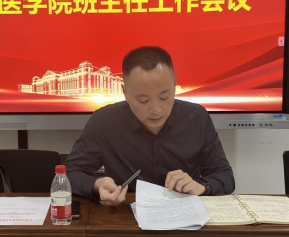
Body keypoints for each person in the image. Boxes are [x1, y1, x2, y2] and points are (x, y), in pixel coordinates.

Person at [66, 46, 235, 206]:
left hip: (185, 216)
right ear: (125, 93)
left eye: (164, 96)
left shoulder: (196, 118)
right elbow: (69, 173)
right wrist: (96, 185)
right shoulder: (105, 122)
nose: (156, 109)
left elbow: (225, 176)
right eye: (143, 100)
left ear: (174, 85)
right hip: (125, 215)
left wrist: (201, 187)